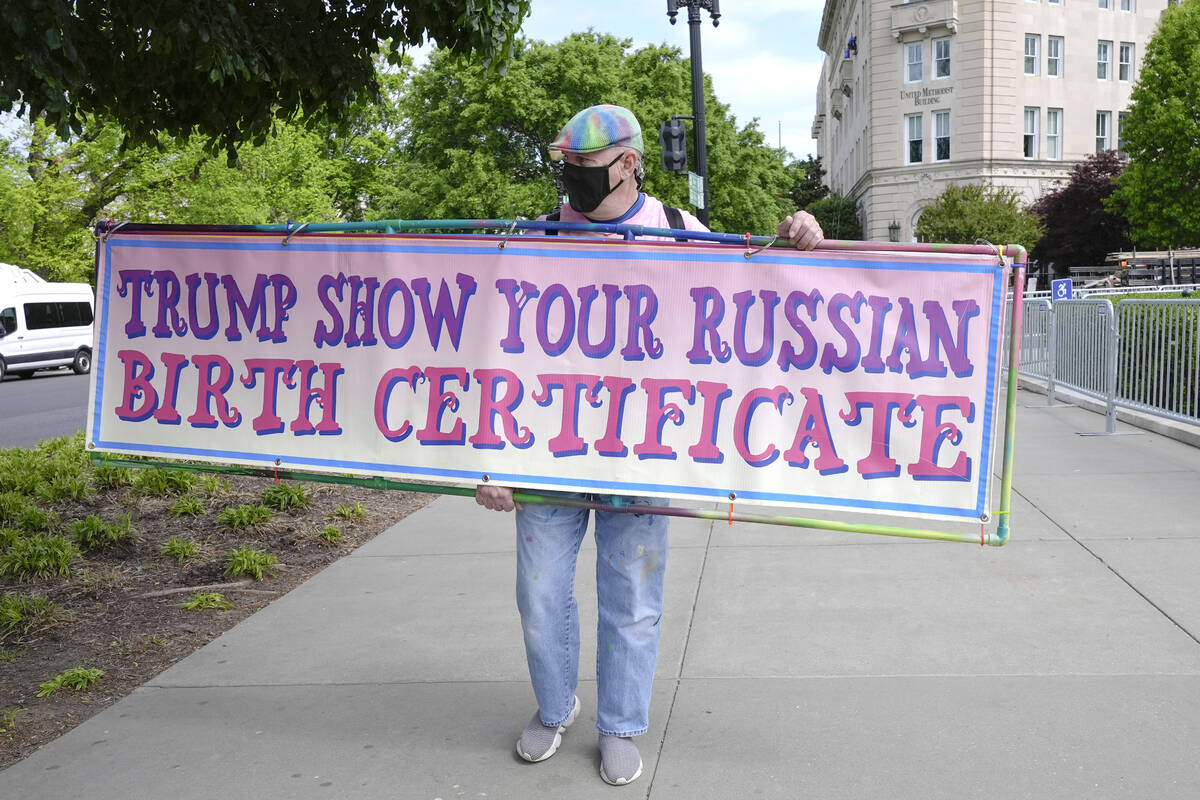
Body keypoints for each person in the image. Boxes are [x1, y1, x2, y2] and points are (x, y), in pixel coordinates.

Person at [475, 104, 824, 786]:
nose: (570, 177)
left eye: (584, 166)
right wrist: (493, 457)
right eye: (566, 166)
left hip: (644, 449)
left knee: (631, 594)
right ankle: (555, 708)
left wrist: (798, 234)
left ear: (628, 163)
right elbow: (498, 346)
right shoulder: (539, 236)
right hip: (549, 448)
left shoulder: (678, 231)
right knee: (540, 592)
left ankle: (621, 725)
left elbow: (754, 289)